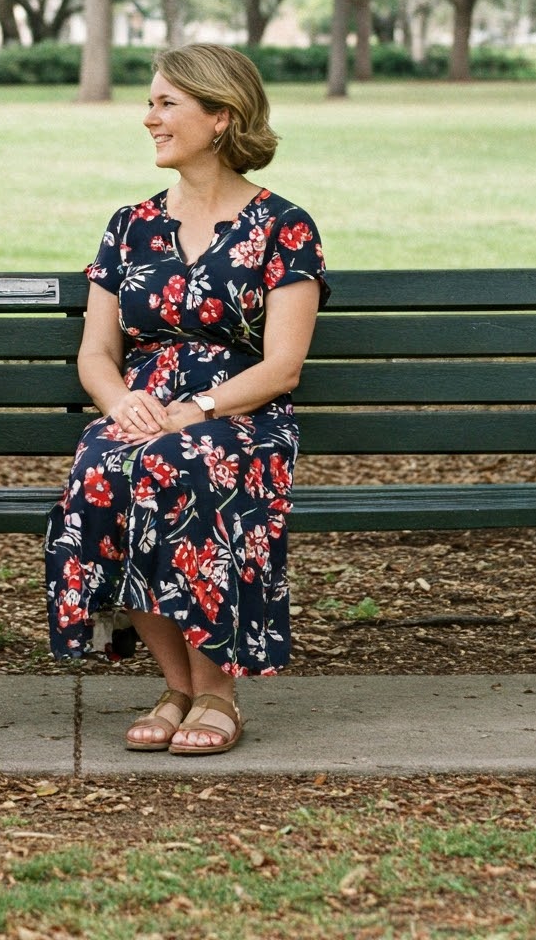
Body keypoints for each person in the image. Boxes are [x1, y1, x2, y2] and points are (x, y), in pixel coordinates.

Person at [45, 42, 325, 757]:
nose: (149, 118)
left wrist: (196, 410)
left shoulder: (283, 225)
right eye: (150, 102)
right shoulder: (129, 225)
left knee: (185, 463)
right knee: (106, 469)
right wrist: (121, 404)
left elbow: (283, 366)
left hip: (240, 414)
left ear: (220, 117)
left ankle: (217, 694)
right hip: (143, 408)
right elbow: (96, 352)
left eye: (167, 103)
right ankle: (177, 688)